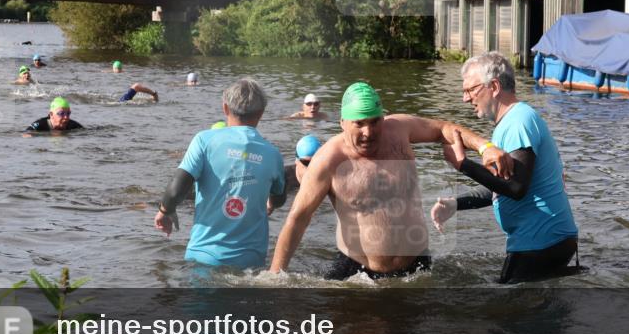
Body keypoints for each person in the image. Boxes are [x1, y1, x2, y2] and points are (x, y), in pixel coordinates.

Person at [269, 81, 512, 280]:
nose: (368, 132)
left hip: (417, 264)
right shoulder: (328, 160)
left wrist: (485, 146)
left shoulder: (398, 129)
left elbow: (443, 128)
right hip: (359, 273)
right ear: (343, 123)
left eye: (374, 121)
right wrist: (275, 277)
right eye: (359, 124)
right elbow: (298, 218)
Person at [430, 51, 579, 284]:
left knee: (508, 313)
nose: (465, 98)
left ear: (495, 86)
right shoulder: (510, 122)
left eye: (470, 90)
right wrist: (456, 204)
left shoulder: (519, 122)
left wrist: (463, 164)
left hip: (541, 241)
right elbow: (500, 188)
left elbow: (516, 188)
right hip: (545, 239)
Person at [154, 79, 286, 269]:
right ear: (261, 113)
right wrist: (271, 204)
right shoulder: (273, 154)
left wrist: (165, 211)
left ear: (225, 108)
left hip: (204, 257)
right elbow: (279, 198)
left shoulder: (204, 141)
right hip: (251, 260)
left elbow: (175, 191)